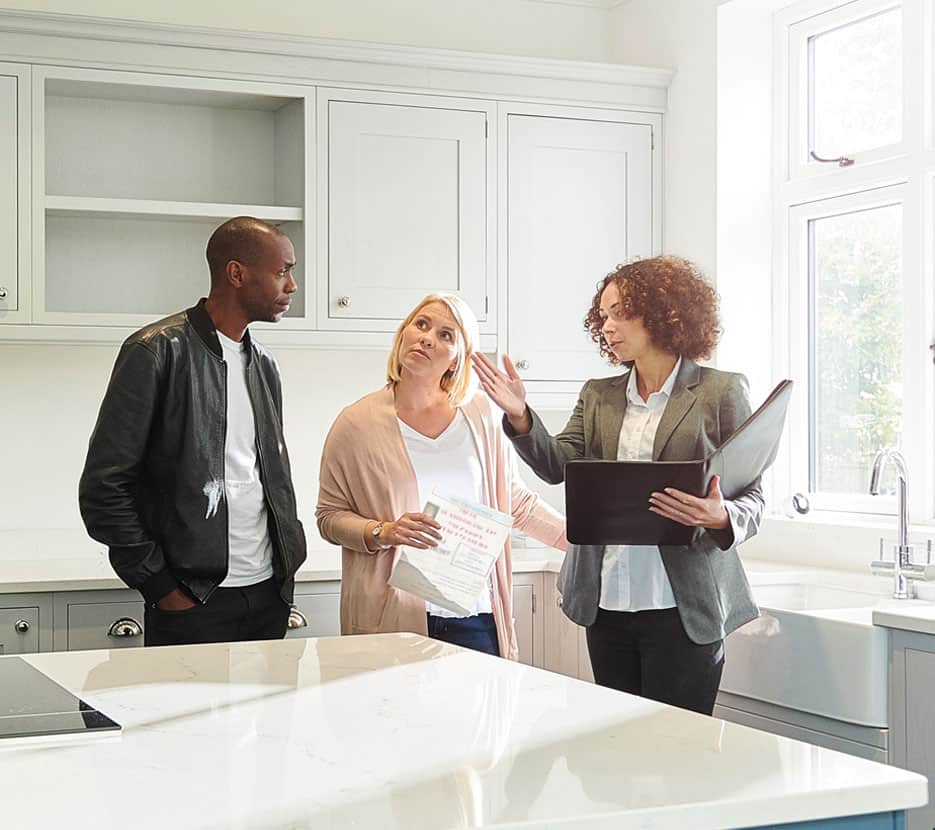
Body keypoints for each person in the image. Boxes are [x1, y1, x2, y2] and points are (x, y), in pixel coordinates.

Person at [472, 256, 763, 714]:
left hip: (683, 607)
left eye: (620, 312)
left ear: (665, 311)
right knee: (616, 753)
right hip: (605, 603)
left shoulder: (720, 392)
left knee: (678, 753)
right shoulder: (598, 395)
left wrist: (721, 514)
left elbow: (752, 496)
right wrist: (519, 417)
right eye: (603, 315)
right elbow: (557, 465)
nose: (607, 326)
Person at [79, 216, 308, 647]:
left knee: (270, 717)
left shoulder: (264, 366)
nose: (292, 285)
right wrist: (160, 586)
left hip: (268, 594)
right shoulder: (155, 351)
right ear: (236, 273)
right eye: (283, 271)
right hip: (192, 600)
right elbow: (103, 489)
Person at [316, 293, 567, 659]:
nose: (428, 337)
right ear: (403, 333)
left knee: (483, 716)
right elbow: (329, 517)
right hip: (393, 616)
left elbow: (517, 504)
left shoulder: (481, 416)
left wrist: (587, 542)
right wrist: (383, 532)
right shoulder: (356, 423)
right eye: (421, 325)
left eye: (447, 335)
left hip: (475, 615)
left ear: (458, 359)